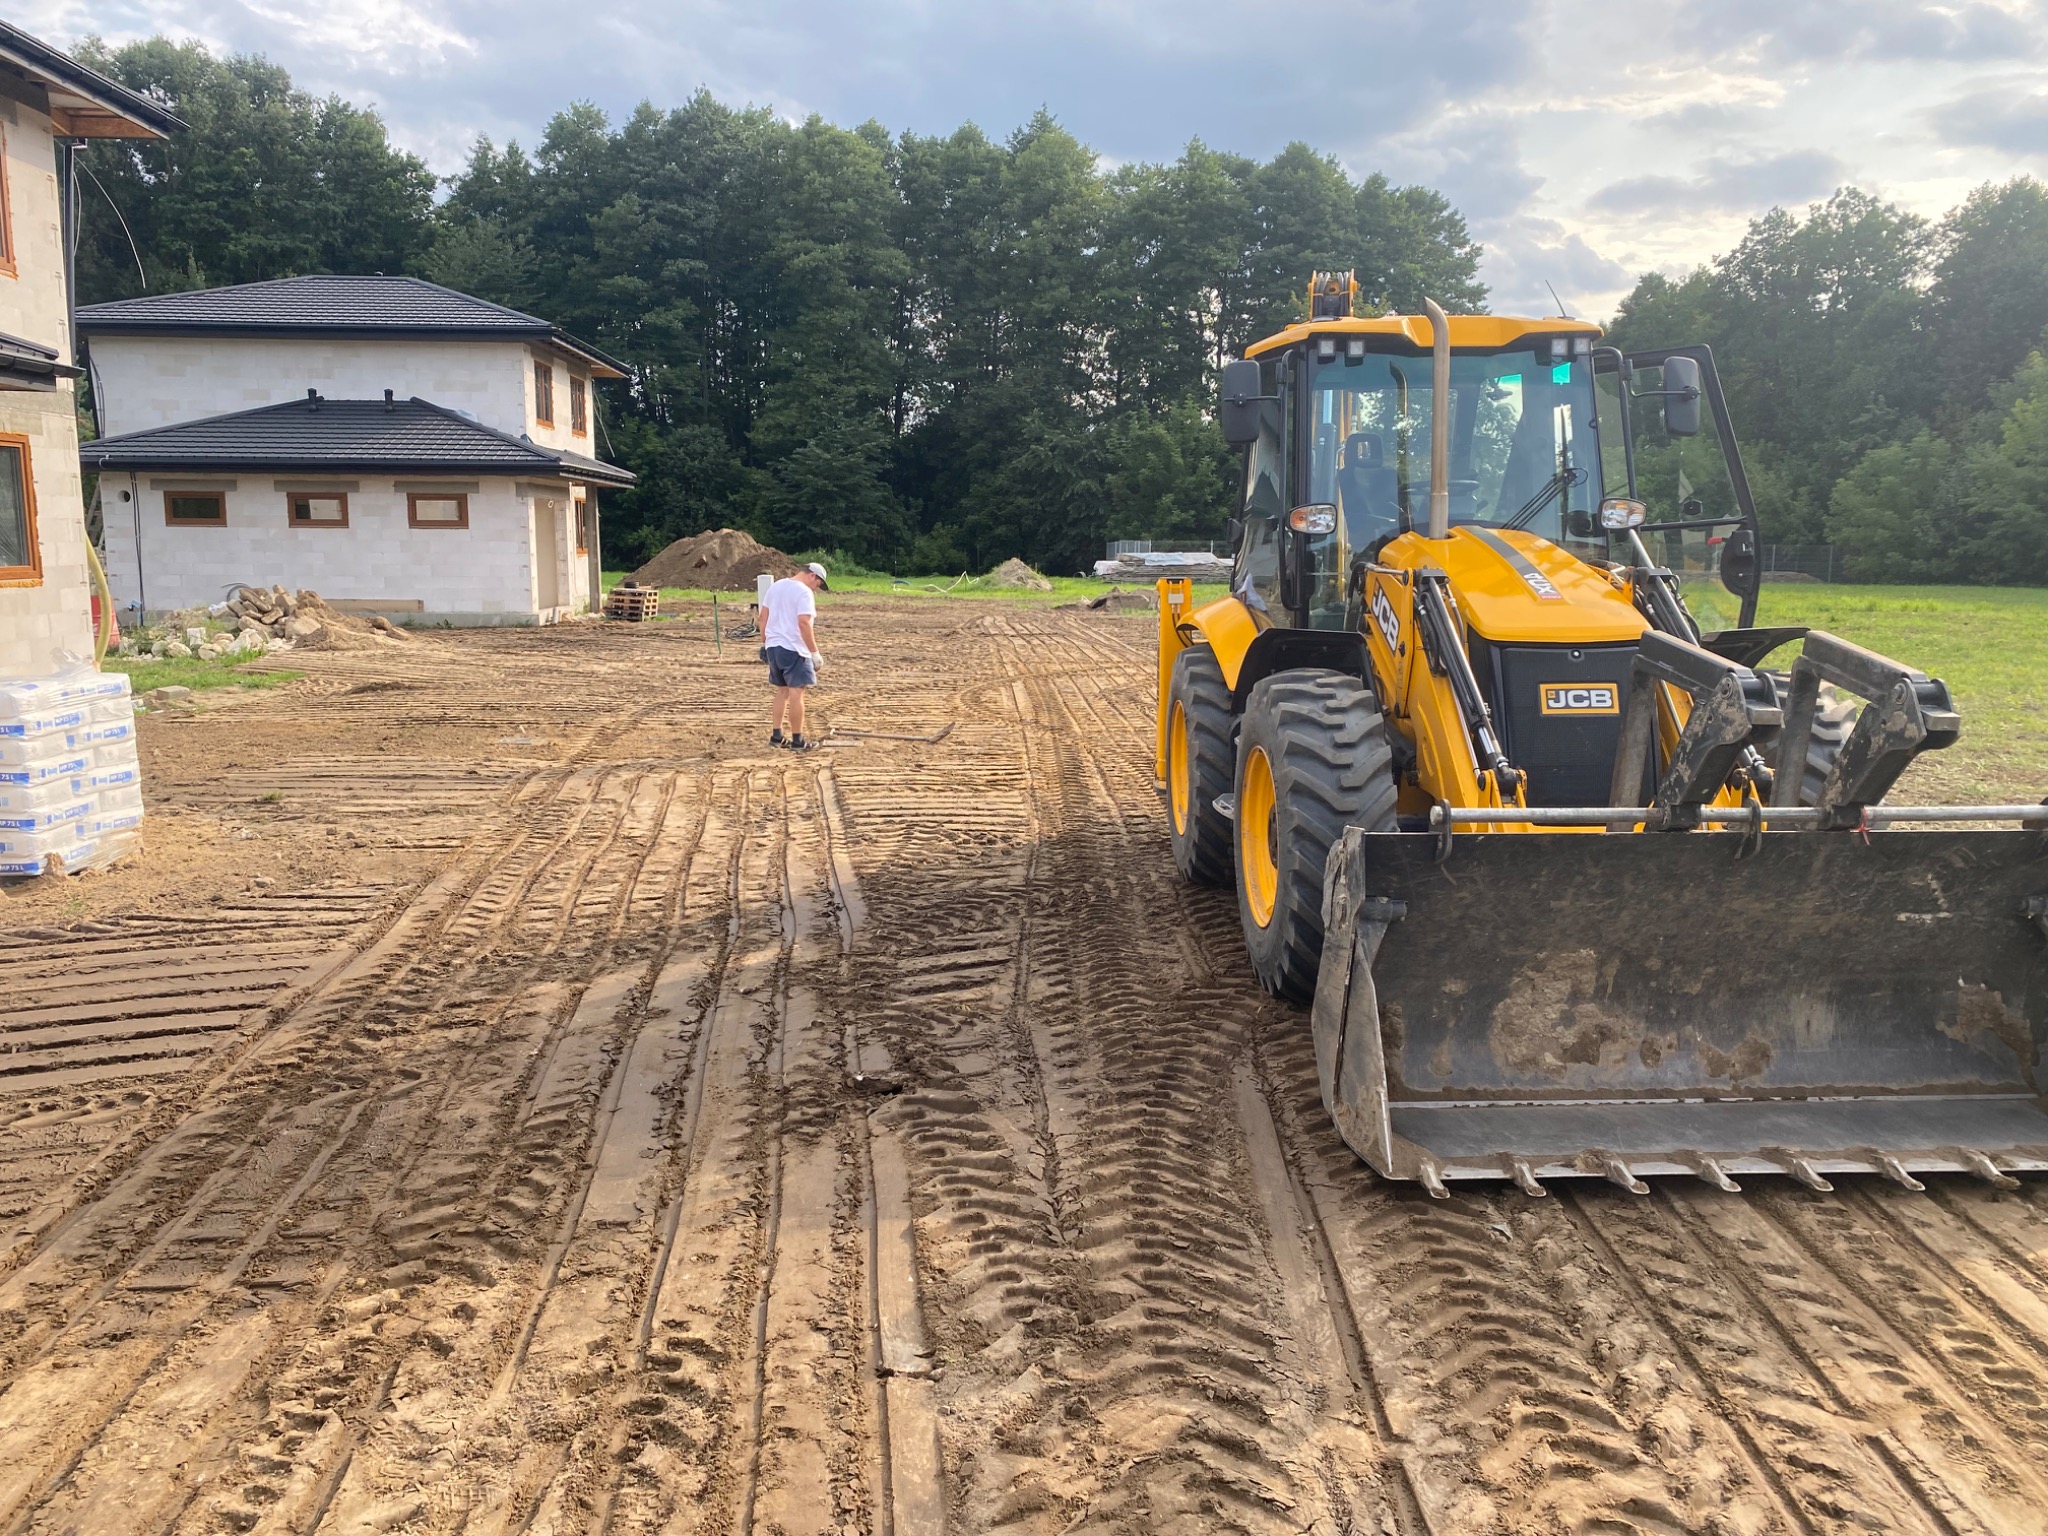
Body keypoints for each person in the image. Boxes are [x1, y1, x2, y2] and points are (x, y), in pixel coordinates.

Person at [762, 561, 829, 750]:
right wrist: (814, 652)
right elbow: (804, 623)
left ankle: (776, 737)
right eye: (818, 584)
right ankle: (798, 741)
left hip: (774, 647)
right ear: (811, 576)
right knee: (796, 693)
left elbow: (763, 617)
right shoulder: (803, 592)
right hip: (794, 649)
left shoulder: (775, 587)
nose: (816, 589)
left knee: (781, 691)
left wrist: (764, 642)